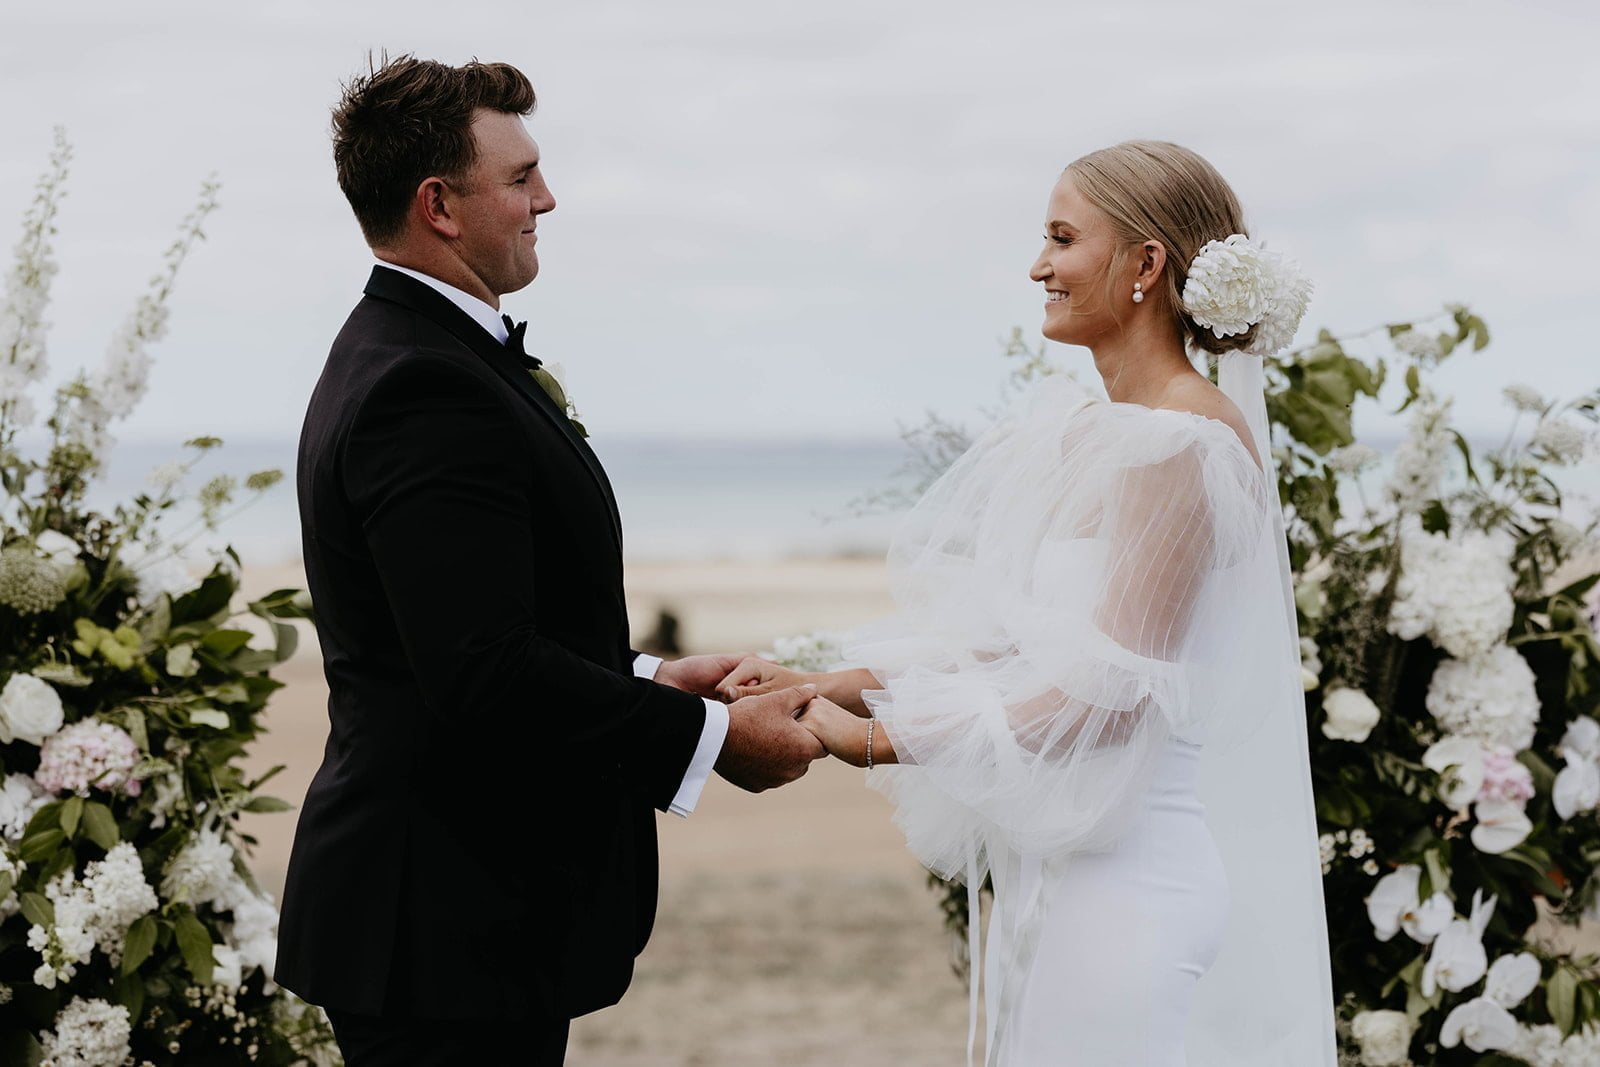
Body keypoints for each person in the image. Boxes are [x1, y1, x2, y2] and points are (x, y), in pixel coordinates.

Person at [720, 141, 1337, 1065]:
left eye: (1061, 238)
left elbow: (1109, 699)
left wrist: (879, 739)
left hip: (1133, 883)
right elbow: (1015, 646)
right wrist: (828, 682)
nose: (1038, 267)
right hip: (1073, 875)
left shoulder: (1181, 444)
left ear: (1145, 263)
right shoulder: (1097, 431)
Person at [275, 55, 825, 1066]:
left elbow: (471, 627)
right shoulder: (422, 386)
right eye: (521, 177)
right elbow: (481, 670)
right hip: (440, 926)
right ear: (439, 206)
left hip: (461, 925)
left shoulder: (417, 351)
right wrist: (710, 737)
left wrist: (646, 675)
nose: (548, 199)